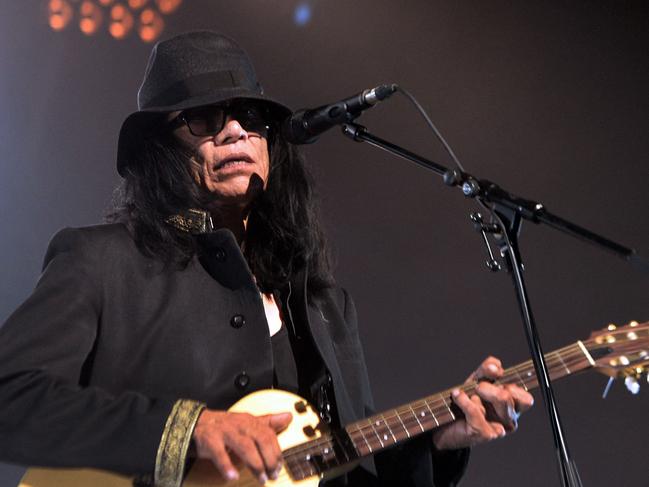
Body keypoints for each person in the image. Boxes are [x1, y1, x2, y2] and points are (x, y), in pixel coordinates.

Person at [0, 31, 533, 487]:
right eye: (205, 118)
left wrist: (440, 440)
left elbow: (343, 471)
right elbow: (10, 399)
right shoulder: (102, 261)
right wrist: (190, 430)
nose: (235, 130)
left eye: (251, 116)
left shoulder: (325, 306)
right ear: (161, 150)